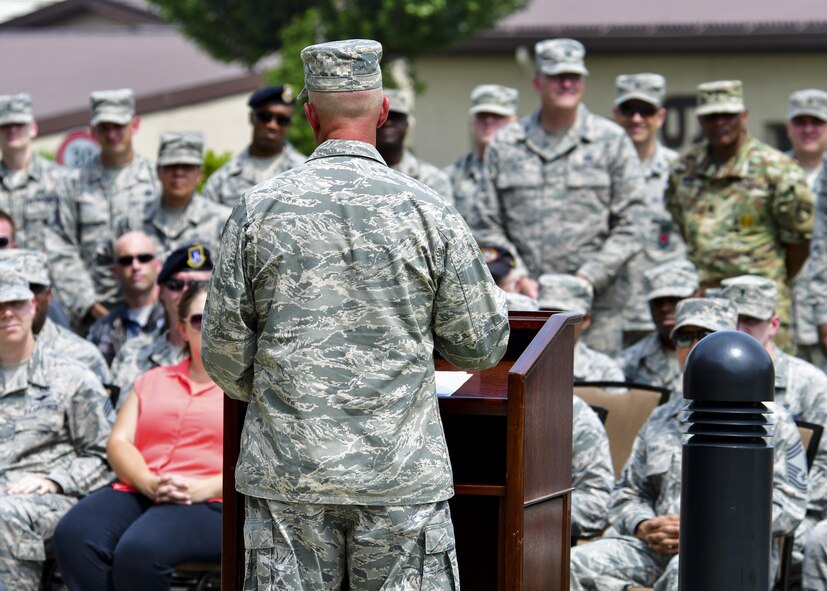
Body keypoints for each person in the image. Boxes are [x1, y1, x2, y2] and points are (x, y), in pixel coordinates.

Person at [203, 39, 509, 590]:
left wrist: (289, 399)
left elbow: (224, 354)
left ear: (310, 115)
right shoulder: (428, 210)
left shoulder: (257, 209)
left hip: (289, 475)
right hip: (399, 477)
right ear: (383, 110)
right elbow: (481, 346)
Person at [569, 297, 808, 590]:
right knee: (568, 565)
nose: (694, 346)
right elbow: (627, 493)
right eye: (685, 337)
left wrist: (708, 528)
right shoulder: (660, 418)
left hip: (734, 552)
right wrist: (644, 525)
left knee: (686, 574)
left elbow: (792, 504)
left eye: (705, 337)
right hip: (655, 548)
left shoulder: (771, 420)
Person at [472, 38, 648, 356]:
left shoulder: (611, 141)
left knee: (596, 395)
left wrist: (588, 276)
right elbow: (486, 223)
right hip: (526, 304)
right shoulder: (507, 144)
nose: (567, 83)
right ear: (538, 82)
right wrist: (518, 274)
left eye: (574, 76)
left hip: (598, 309)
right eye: (556, 76)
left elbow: (634, 222)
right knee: (528, 396)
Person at [53, 282, 222, 591]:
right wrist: (149, 482)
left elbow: (259, 462)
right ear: (183, 329)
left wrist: (202, 488)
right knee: (74, 536)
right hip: (143, 488)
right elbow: (119, 442)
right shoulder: (151, 380)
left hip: (214, 499)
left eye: (220, 315)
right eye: (199, 319)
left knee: (140, 551)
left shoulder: (247, 390)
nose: (210, 325)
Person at [664, 80, 815, 354]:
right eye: (711, 116)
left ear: (743, 117)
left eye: (727, 115)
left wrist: (772, 278)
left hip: (760, 308)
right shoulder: (683, 170)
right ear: (700, 120)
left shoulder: (776, 170)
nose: (719, 122)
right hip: (706, 304)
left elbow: (799, 243)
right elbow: (684, 226)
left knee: (768, 384)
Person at [0, 262, 113, 590]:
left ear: (32, 305)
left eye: (15, 304)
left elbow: (107, 454)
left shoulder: (72, 376)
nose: (7, 314)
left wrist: (56, 480)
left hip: (51, 499)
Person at [721, 274, 827, 565]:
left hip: (794, 518)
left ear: (774, 325)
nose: (740, 330)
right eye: (733, 319)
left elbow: (824, 468)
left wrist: (751, 512)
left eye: (751, 321)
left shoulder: (811, 385)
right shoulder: (709, 380)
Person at [48, 88, 158, 328]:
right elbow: (60, 248)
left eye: (118, 126)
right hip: (93, 317)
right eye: (104, 127)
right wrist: (88, 304)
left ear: (135, 125)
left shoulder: (156, 179)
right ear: (92, 131)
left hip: (153, 313)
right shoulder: (72, 185)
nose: (112, 134)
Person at [610, 74, 688, 346]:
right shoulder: (597, 171)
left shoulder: (680, 172)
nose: (637, 119)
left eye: (646, 111)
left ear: (661, 116)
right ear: (615, 114)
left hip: (663, 313)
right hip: (611, 314)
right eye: (628, 110)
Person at [110, 244, 213, 400]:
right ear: (161, 292)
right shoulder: (134, 353)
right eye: (176, 285)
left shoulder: (231, 357)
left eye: (197, 285)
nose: (186, 292)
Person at [0, 248, 110, 384]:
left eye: (33, 288)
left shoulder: (83, 357)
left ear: (49, 295)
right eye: (11, 292)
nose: (24, 297)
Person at [119, 133, 230, 259]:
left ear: (199, 174)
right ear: (158, 171)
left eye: (187, 166)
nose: (178, 172)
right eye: (171, 166)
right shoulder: (134, 219)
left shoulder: (223, 221)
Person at [203, 85, 306, 207]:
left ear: (290, 124)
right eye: (265, 117)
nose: (273, 125)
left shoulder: (304, 171)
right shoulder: (222, 180)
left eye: (282, 120)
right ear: (252, 118)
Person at [618, 260, 699, 401]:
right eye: (657, 302)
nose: (664, 308)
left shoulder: (724, 354)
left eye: (674, 299)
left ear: (697, 297)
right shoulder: (629, 362)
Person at [786, 90, 827, 369]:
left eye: (817, 122)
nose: (808, 129)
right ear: (789, 127)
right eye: (800, 122)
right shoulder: (771, 172)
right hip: (784, 317)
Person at [87, 231, 165, 365]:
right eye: (126, 261)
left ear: (158, 265)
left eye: (144, 258)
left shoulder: (174, 321)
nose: (135, 266)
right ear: (115, 272)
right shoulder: (101, 330)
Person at [444, 84, 518, 223]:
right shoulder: (452, 176)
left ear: (513, 122)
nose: (488, 121)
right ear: (473, 121)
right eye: (482, 115)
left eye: (497, 116)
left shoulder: (529, 172)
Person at [0, 93, 62, 252]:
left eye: (19, 123)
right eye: (5, 125)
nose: (12, 130)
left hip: (47, 275)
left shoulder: (60, 180)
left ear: (33, 128)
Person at [539, 273, 624, 382]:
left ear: (586, 320)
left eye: (565, 317)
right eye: (547, 315)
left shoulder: (605, 371)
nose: (554, 324)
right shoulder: (520, 364)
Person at [376, 89, 455, 204]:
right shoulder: (357, 172)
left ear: (406, 125)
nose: (388, 122)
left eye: (395, 117)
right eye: (383, 116)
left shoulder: (432, 180)